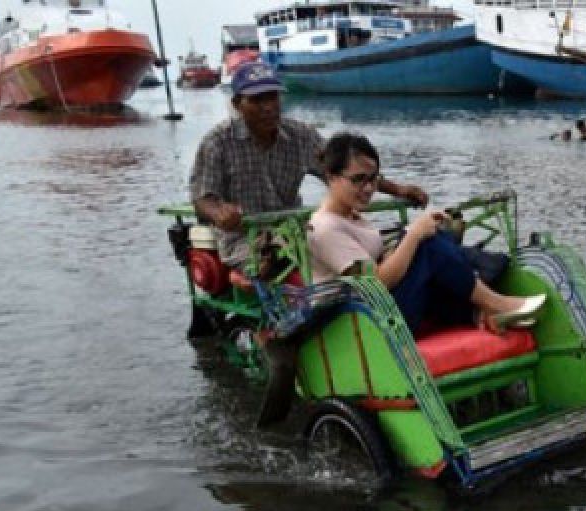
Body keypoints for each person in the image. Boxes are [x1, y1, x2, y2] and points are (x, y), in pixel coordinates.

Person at [189, 61, 427, 269]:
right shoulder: (217, 142)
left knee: (362, 245)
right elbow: (202, 198)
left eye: (272, 96)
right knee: (294, 261)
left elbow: (347, 169)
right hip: (246, 241)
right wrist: (219, 212)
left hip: (297, 230)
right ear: (238, 104)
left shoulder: (299, 135)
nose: (268, 106)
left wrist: (398, 190)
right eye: (257, 100)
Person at [308, 132, 545, 336]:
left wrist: (411, 236)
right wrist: (414, 236)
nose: (369, 188)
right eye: (358, 180)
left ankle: (478, 313)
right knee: (428, 245)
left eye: (373, 179)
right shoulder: (326, 228)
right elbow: (377, 283)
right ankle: (496, 304)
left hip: (379, 309)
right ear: (331, 177)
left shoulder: (351, 215)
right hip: (365, 323)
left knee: (435, 237)